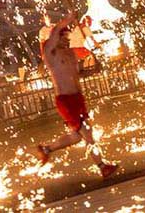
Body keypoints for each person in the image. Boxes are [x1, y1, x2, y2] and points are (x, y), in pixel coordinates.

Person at [34, 13, 118, 178]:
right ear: (56, 38)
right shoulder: (50, 53)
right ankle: (102, 166)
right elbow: (55, 30)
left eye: (68, 37)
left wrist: (93, 70)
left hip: (78, 98)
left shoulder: (71, 54)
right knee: (87, 132)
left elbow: (77, 74)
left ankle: (47, 149)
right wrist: (69, 18)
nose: (67, 40)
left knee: (76, 136)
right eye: (64, 37)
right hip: (65, 101)